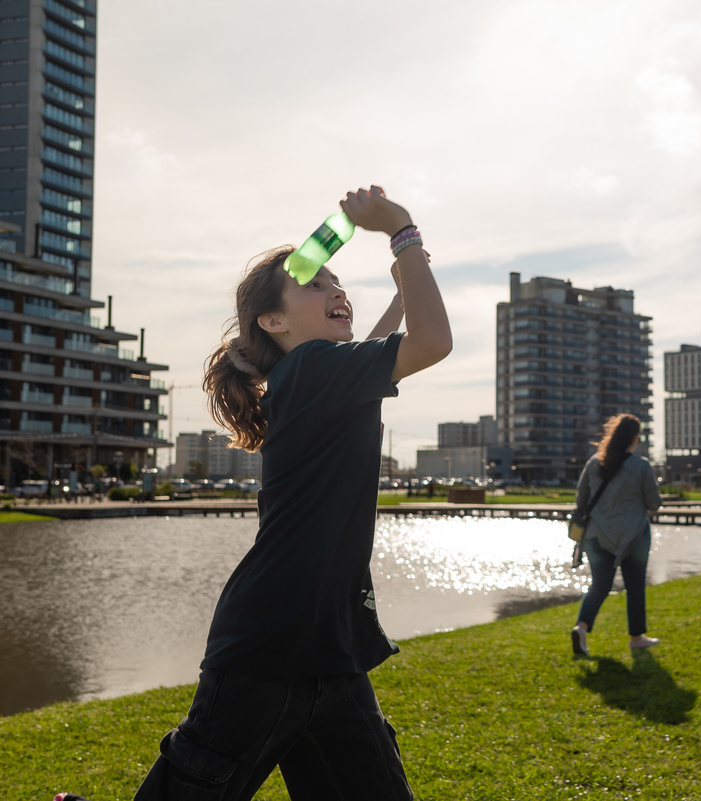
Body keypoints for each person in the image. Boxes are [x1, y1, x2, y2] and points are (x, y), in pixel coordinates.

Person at [54, 185, 451, 801]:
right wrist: (401, 232)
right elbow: (434, 344)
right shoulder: (315, 371)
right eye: (316, 285)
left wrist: (400, 295)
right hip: (271, 646)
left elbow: (380, 353)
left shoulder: (319, 376)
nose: (336, 291)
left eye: (338, 282)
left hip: (329, 647)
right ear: (273, 321)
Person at [570, 413, 663, 656]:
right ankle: (636, 637)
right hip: (634, 535)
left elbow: (580, 501)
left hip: (596, 535)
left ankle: (581, 627)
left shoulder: (593, 463)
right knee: (635, 587)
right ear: (635, 438)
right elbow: (654, 504)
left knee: (599, 585)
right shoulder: (641, 466)